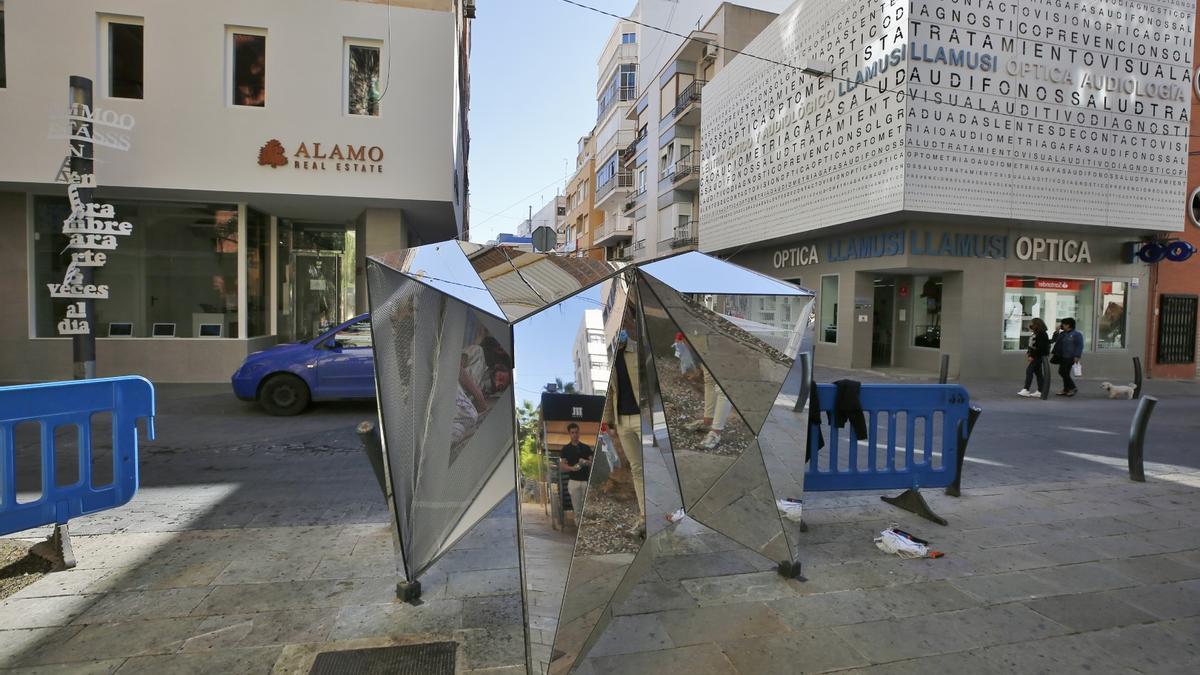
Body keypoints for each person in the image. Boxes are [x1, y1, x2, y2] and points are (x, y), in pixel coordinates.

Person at [604, 326, 645, 538]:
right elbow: (611, 392)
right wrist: (610, 422)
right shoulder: (610, 358)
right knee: (637, 469)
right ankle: (644, 518)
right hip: (622, 422)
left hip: (642, 416)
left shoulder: (638, 349)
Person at [559, 422, 593, 525]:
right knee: (577, 507)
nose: (575, 434)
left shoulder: (586, 447)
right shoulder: (565, 449)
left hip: (586, 481)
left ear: (579, 433)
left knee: (587, 506)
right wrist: (571, 468)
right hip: (573, 481)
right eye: (572, 432)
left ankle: (585, 526)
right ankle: (579, 526)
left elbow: (592, 463)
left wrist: (585, 462)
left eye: (576, 432)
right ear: (569, 434)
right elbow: (562, 466)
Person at [1050, 317, 1084, 397]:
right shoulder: (1063, 334)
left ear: (1068, 325)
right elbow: (1054, 340)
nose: (1061, 325)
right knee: (1064, 372)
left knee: (1063, 372)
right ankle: (1066, 389)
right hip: (1062, 356)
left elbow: (1080, 345)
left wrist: (1077, 355)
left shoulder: (1076, 334)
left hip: (1070, 356)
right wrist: (1057, 331)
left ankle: (1072, 388)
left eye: (1063, 324)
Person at [1018, 317, 1051, 398]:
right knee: (1038, 373)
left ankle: (1026, 389)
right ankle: (1040, 390)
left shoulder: (1042, 334)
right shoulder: (1036, 333)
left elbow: (1040, 347)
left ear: (1037, 324)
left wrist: (1032, 356)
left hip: (1038, 356)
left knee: (1029, 371)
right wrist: (1029, 353)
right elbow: (1032, 345)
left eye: (1032, 323)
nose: (1030, 325)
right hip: (1036, 355)